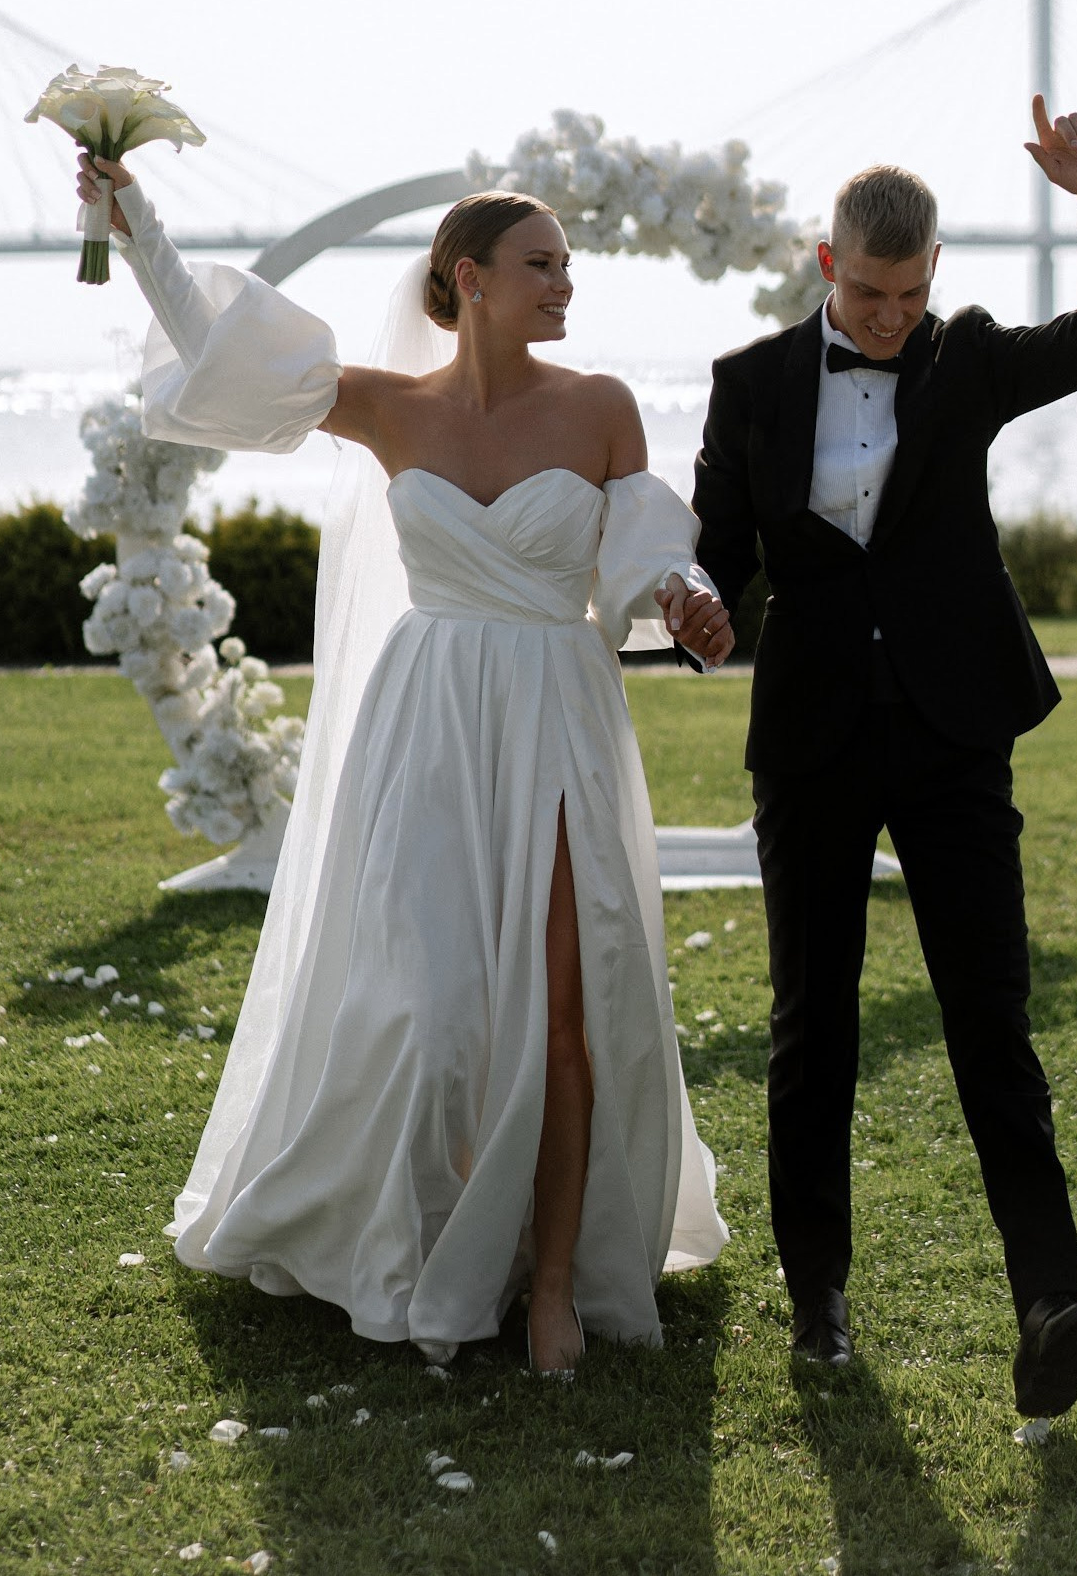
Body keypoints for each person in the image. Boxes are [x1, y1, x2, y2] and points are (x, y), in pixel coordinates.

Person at [77, 155, 733, 1373]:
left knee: (565, 1008)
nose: (563, 282)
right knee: (432, 1012)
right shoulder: (386, 405)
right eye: (540, 263)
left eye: (567, 264)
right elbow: (223, 360)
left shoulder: (598, 404)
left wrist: (687, 598)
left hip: (554, 708)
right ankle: (441, 1238)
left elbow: (645, 556)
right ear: (466, 280)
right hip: (428, 716)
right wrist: (134, 225)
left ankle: (549, 1283)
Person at [688, 97, 1077, 1418]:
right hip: (814, 744)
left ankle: (1050, 1304)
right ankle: (818, 1301)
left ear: (931, 275)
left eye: (910, 292)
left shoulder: (966, 358)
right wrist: (693, 605)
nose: (890, 316)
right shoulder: (749, 385)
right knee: (810, 1030)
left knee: (988, 1021)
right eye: (870, 291)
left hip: (955, 737)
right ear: (826, 267)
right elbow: (717, 561)